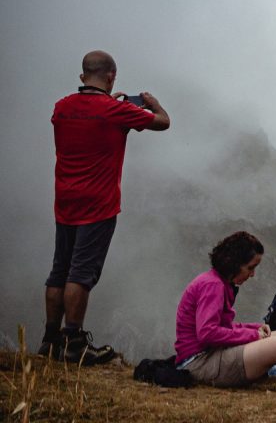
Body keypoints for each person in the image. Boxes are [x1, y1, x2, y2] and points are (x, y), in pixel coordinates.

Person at [41, 50, 170, 364]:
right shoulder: (115, 111)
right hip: (97, 205)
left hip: (65, 200)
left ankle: (50, 339)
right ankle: (74, 341)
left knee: (59, 271)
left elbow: (90, 126)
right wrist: (150, 103)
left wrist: (115, 109)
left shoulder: (62, 107)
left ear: (83, 76)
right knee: (80, 274)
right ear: (112, 76)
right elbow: (163, 123)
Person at [175, 231, 276, 387]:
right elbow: (207, 333)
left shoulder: (219, 282)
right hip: (199, 363)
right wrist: (252, 335)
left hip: (209, 355)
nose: (252, 274)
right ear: (234, 263)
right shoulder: (213, 285)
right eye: (250, 267)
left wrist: (254, 328)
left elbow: (221, 327)